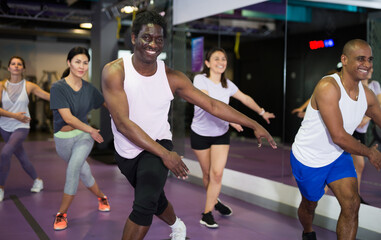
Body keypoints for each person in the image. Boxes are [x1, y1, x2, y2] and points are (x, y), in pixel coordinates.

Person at [101, 10, 277, 240]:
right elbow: (123, 124)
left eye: (159, 39)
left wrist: (253, 122)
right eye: (146, 37)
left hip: (158, 142)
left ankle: (174, 226)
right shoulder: (115, 72)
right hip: (127, 149)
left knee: (144, 204)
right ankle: (178, 226)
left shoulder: (173, 77)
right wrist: (167, 155)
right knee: (155, 199)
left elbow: (212, 105)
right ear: (134, 38)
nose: (153, 44)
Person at [291, 39, 381, 240]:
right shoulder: (328, 86)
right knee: (310, 204)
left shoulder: (368, 95)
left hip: (337, 156)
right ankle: (307, 232)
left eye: (369, 59)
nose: (367, 64)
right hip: (309, 158)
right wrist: (369, 153)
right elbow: (339, 136)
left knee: (352, 203)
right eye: (360, 59)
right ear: (344, 59)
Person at [190, 47, 275, 228]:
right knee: (207, 174)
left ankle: (207, 214)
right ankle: (215, 201)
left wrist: (262, 112)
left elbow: (245, 98)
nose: (221, 61)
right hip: (200, 134)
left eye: (224, 59)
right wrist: (230, 121)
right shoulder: (200, 80)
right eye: (216, 58)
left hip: (220, 135)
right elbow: (210, 105)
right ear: (207, 63)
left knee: (217, 174)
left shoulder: (228, 85)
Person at [50, 47, 110, 231]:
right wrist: (91, 129)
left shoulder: (90, 90)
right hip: (63, 139)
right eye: (77, 61)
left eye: (85, 62)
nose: (82, 66)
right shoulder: (58, 88)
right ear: (69, 63)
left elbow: (107, 103)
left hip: (84, 137)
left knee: (74, 168)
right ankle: (102, 197)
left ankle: (62, 214)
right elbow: (67, 119)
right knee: (84, 172)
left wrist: (122, 116)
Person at [0, 56, 50, 202]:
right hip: (4, 126)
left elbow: (48, 96)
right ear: (9, 68)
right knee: (22, 157)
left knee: (5, 153)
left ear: (23, 68)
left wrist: (70, 99)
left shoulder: (29, 86)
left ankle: (1, 188)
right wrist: (14, 116)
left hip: (22, 126)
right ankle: (37, 180)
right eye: (13, 64)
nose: (16, 66)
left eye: (19, 64)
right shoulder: (1, 86)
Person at [352, 67, 381, 205]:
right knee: (359, 164)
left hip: (363, 131)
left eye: (371, 67)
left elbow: (378, 106)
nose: (370, 70)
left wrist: (367, 118)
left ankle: (356, 196)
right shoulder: (355, 86)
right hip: (353, 131)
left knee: (358, 167)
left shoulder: (374, 85)